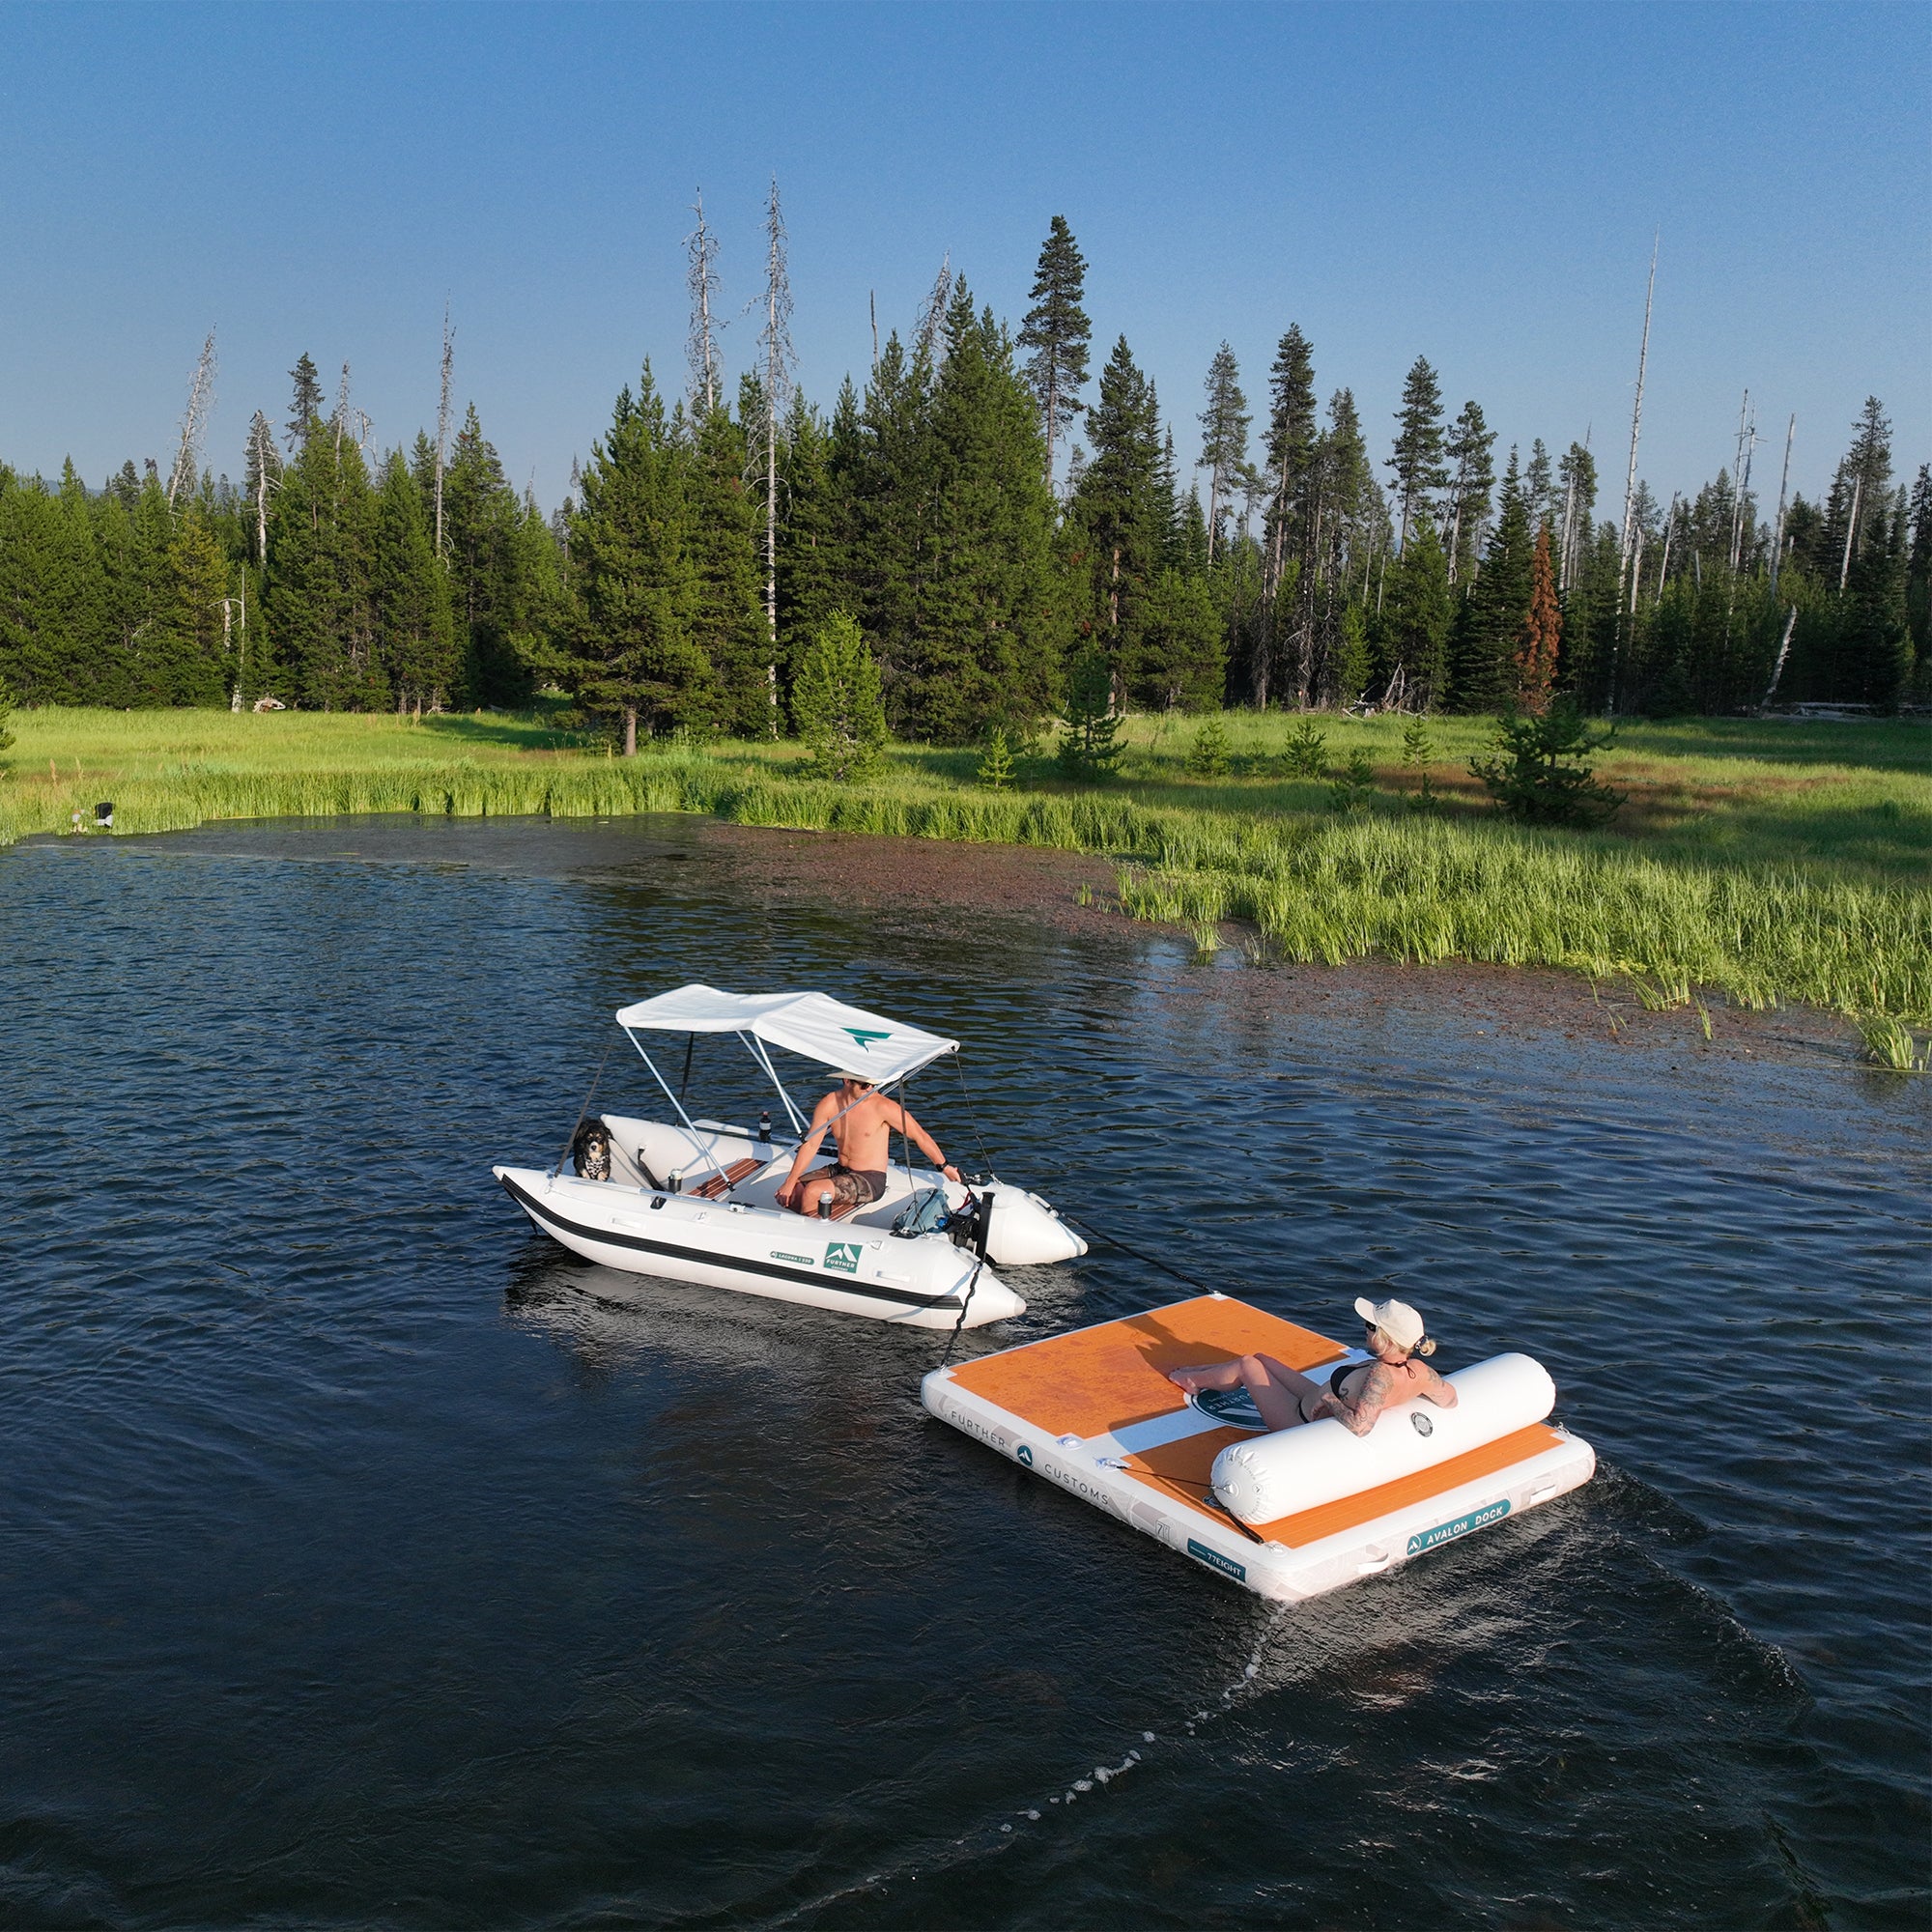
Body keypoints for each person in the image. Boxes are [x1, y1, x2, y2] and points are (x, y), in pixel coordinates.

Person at [1167, 1296, 1457, 1436]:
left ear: (1386, 1338)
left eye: (1371, 1326)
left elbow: (1361, 1425)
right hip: (1313, 1399)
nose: (1365, 1330)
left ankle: (1191, 1380)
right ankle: (1201, 1373)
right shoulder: (1419, 1370)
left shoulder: (1381, 1375)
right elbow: (1450, 1398)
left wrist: (1331, 1400)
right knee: (1262, 1359)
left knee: (1247, 1365)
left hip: (1298, 1420)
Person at [775, 1072, 961, 1216]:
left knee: (813, 1192)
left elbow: (920, 1135)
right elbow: (811, 1144)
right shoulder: (829, 1103)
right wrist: (790, 1182)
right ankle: (815, 1223)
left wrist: (944, 1167)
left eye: (873, 1084)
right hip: (841, 1169)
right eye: (865, 1085)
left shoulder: (884, 1107)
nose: (870, 1088)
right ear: (847, 1081)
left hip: (870, 1179)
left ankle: (812, 1242)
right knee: (795, 1189)